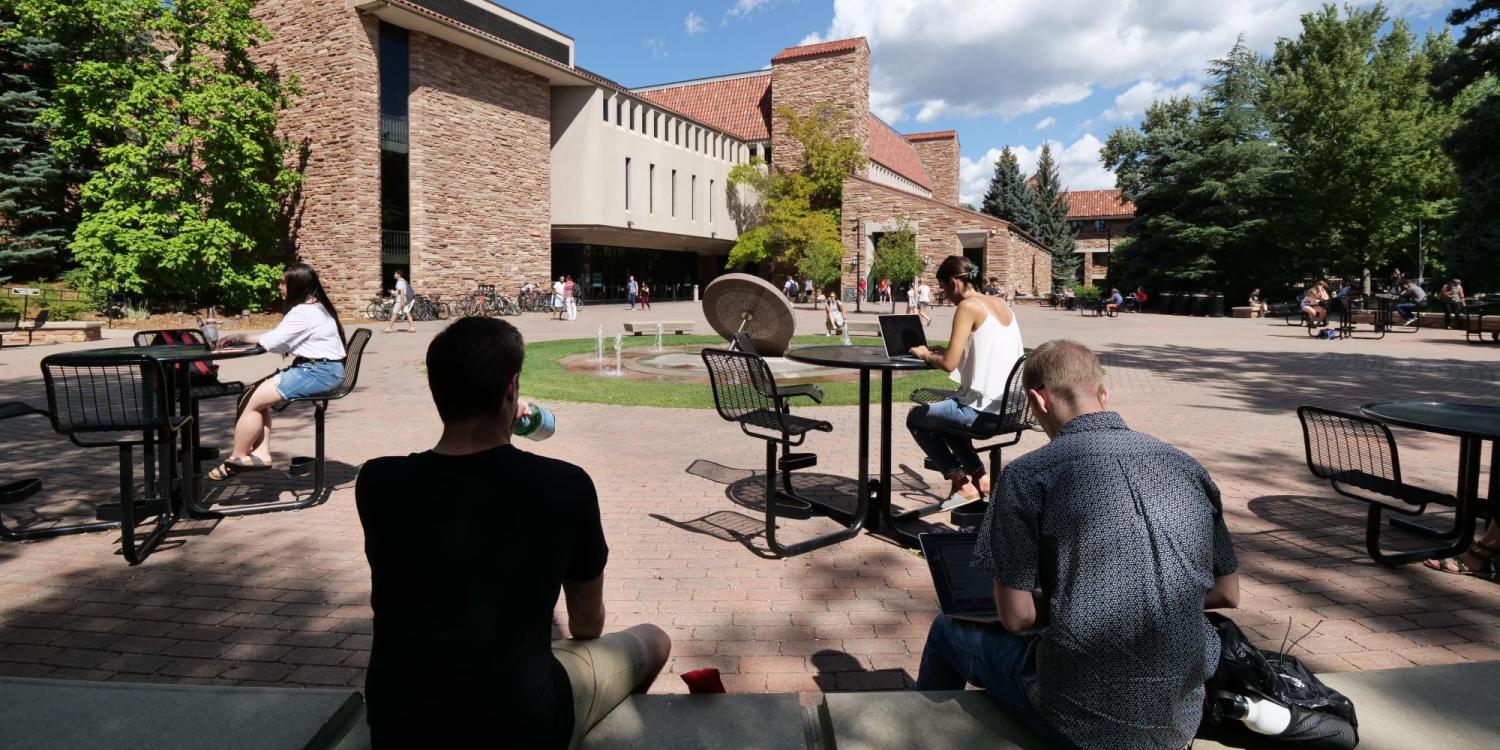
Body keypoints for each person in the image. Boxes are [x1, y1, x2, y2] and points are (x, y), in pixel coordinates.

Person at [356, 317, 671, 748]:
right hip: (523, 724)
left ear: (436, 391)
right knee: (653, 639)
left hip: (400, 725)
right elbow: (585, 625)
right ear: (512, 387)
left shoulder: (377, 482)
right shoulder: (565, 485)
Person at [916, 339, 1240, 749]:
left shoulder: (1028, 476)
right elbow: (1228, 593)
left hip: (1077, 715)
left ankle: (914, 731)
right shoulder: (1186, 466)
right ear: (1103, 394)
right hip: (1177, 713)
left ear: (1038, 400)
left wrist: (1081, 602)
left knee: (948, 630)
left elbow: (1015, 618)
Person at [210, 263, 347, 480]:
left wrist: (237, 337)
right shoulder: (316, 307)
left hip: (317, 372)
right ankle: (260, 453)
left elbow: (273, 343)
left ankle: (237, 458)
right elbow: (280, 342)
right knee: (253, 393)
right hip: (320, 369)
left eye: (283, 282)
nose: (279, 287)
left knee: (249, 400)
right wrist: (238, 337)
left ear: (296, 285)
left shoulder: (303, 312)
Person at [906, 256, 1022, 509]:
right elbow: (982, 349)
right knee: (945, 421)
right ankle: (982, 479)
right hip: (1011, 409)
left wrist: (925, 355)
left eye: (945, 290)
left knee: (917, 418)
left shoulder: (968, 306)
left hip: (982, 413)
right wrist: (942, 351)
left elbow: (948, 364)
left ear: (953, 282)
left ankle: (962, 483)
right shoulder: (1000, 303)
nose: (947, 297)